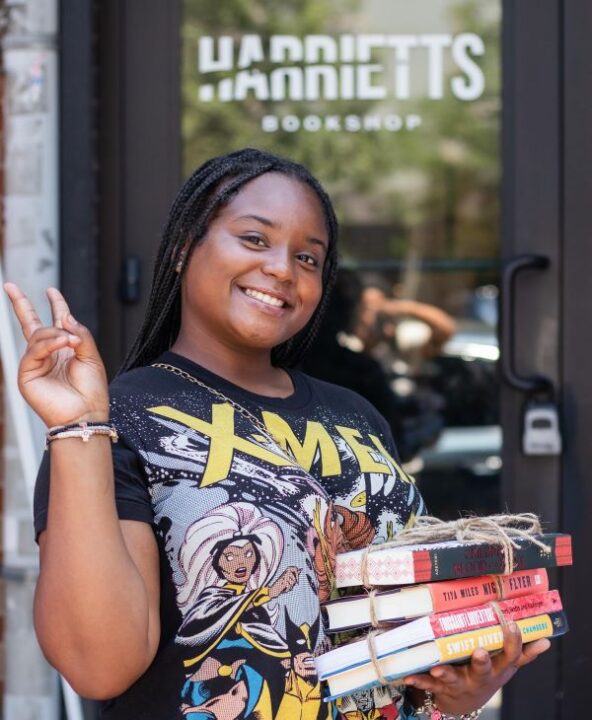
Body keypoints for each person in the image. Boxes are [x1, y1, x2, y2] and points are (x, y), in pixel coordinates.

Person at [4, 148, 549, 720]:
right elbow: (99, 667)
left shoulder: (357, 417)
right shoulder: (123, 418)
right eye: (256, 240)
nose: (284, 270)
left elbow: (405, 650)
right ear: (185, 246)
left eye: (308, 258)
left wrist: (456, 693)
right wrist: (77, 428)